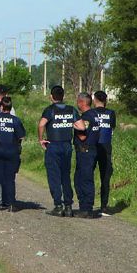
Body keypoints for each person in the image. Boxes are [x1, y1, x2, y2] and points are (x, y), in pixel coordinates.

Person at [38, 85, 78, 217]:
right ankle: (68, 206)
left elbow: (41, 124)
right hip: (67, 146)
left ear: (51, 97)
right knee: (65, 175)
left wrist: (41, 139)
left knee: (54, 176)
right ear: (63, 97)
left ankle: (58, 205)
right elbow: (81, 125)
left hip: (53, 146)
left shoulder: (49, 110)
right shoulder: (71, 110)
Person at [0, 96, 25, 212]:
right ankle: (11, 204)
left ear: (1, 107)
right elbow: (21, 136)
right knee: (10, 178)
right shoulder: (15, 120)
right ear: (10, 107)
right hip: (11, 152)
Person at [85, 90, 117, 215]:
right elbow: (112, 129)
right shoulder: (111, 113)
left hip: (92, 146)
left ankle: (88, 203)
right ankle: (104, 206)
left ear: (94, 100)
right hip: (106, 147)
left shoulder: (90, 113)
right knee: (105, 177)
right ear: (105, 100)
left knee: (89, 175)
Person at [71, 92, 100, 219]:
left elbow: (82, 135)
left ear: (82, 103)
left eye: (78, 101)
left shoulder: (87, 117)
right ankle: (84, 206)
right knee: (80, 178)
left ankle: (86, 208)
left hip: (85, 151)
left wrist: (73, 125)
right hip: (92, 149)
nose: (77, 103)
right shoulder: (95, 114)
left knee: (84, 179)